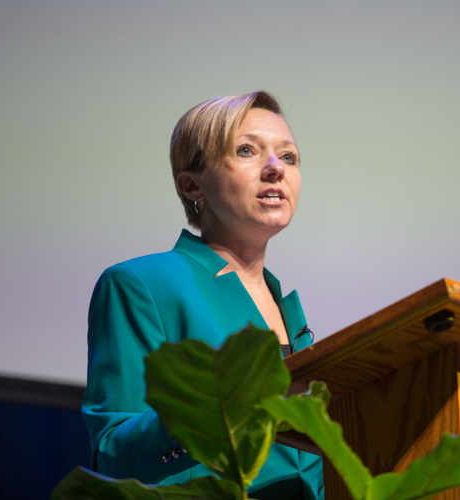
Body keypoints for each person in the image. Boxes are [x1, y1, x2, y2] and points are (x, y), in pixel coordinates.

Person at [81, 91, 324, 499]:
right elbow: (114, 452)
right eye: (247, 150)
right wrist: (231, 407)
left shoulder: (289, 311)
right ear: (192, 184)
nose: (275, 169)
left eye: (289, 157)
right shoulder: (140, 284)